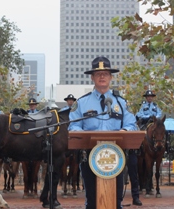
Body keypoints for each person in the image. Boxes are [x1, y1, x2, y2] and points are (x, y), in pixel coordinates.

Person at [69, 56, 142, 209]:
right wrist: (83, 135)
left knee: (115, 201)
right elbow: (74, 127)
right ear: (92, 77)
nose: (102, 77)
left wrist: (124, 131)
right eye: (98, 74)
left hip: (116, 156)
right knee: (92, 200)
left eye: (105, 74)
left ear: (110, 77)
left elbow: (132, 125)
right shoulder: (81, 103)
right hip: (90, 155)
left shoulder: (121, 103)